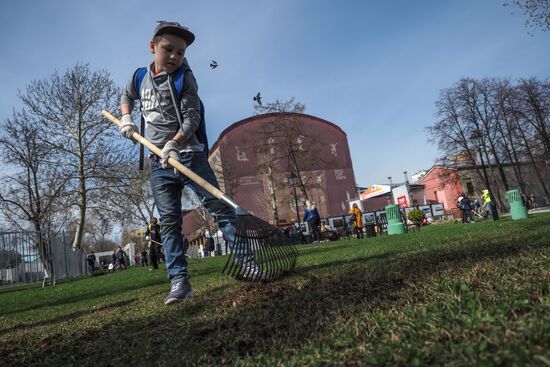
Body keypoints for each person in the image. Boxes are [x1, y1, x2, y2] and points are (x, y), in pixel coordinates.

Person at [119, 21, 263, 304]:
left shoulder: (185, 78)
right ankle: (179, 282)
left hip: (189, 155)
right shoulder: (139, 77)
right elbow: (126, 96)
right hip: (158, 163)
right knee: (170, 223)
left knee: (220, 209)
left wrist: (174, 143)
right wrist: (126, 117)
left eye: (181, 52)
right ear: (152, 47)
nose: (174, 56)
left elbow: (192, 118)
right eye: (168, 49)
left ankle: (248, 263)